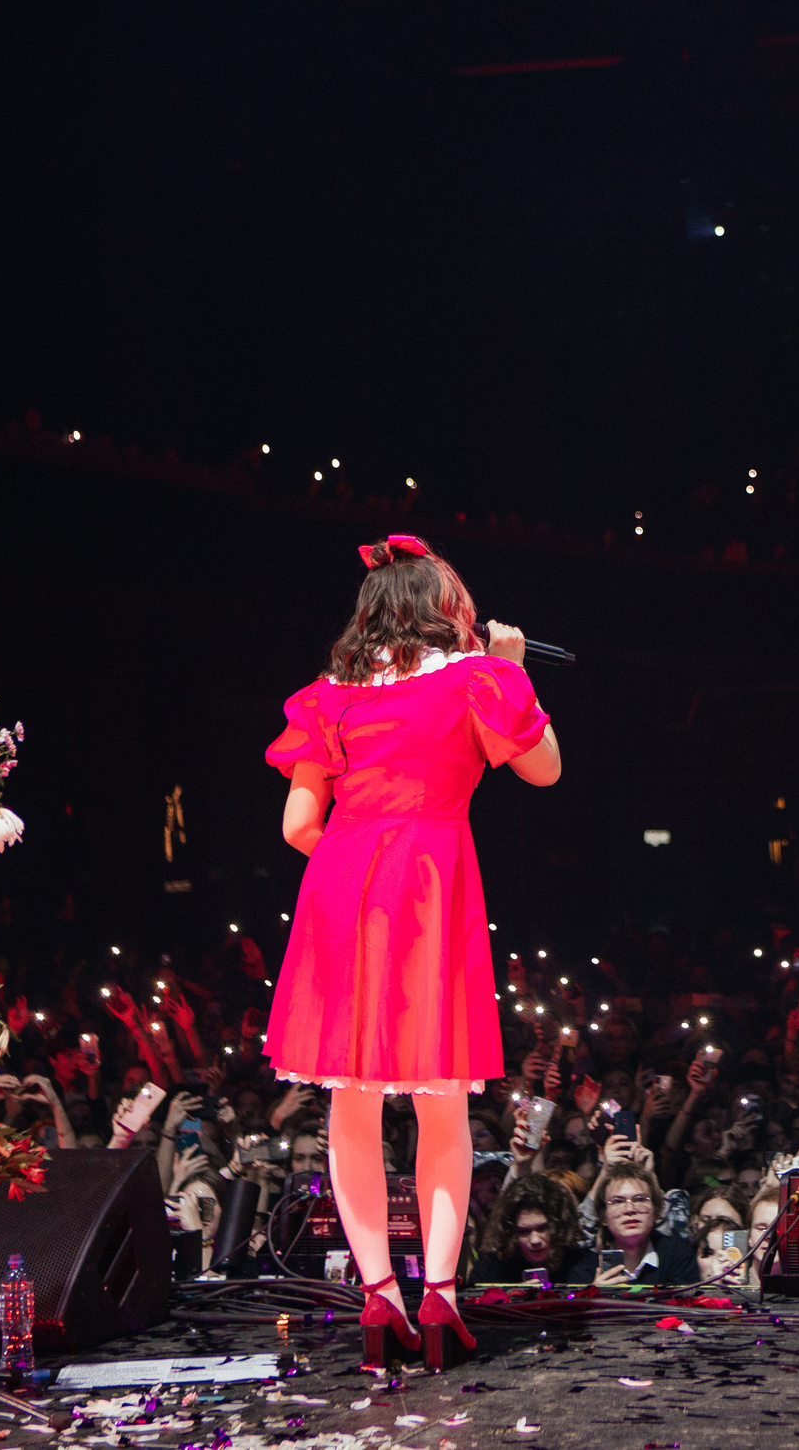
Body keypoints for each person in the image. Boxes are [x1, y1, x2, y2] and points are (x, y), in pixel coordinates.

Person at [264, 536, 562, 1372]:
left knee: (350, 1102)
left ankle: (377, 1299)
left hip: (342, 884)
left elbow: (295, 827)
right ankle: (438, 1294)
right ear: (447, 611)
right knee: (441, 1103)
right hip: (430, 884)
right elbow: (544, 769)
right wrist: (510, 667)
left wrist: (354, 859)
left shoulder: (329, 696)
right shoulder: (475, 680)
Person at [593, 1160, 702, 1286]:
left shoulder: (678, 1256)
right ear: (603, 1216)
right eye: (618, 1201)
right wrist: (593, 1296)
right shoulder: (587, 1267)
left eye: (639, 1199)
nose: (630, 1210)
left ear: (656, 1211)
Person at [473, 1173, 595, 1285]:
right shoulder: (489, 1271)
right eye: (524, 1231)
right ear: (510, 1232)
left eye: (543, 1228)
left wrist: (597, 1293)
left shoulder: (585, 1265)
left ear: (560, 1226)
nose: (535, 1240)